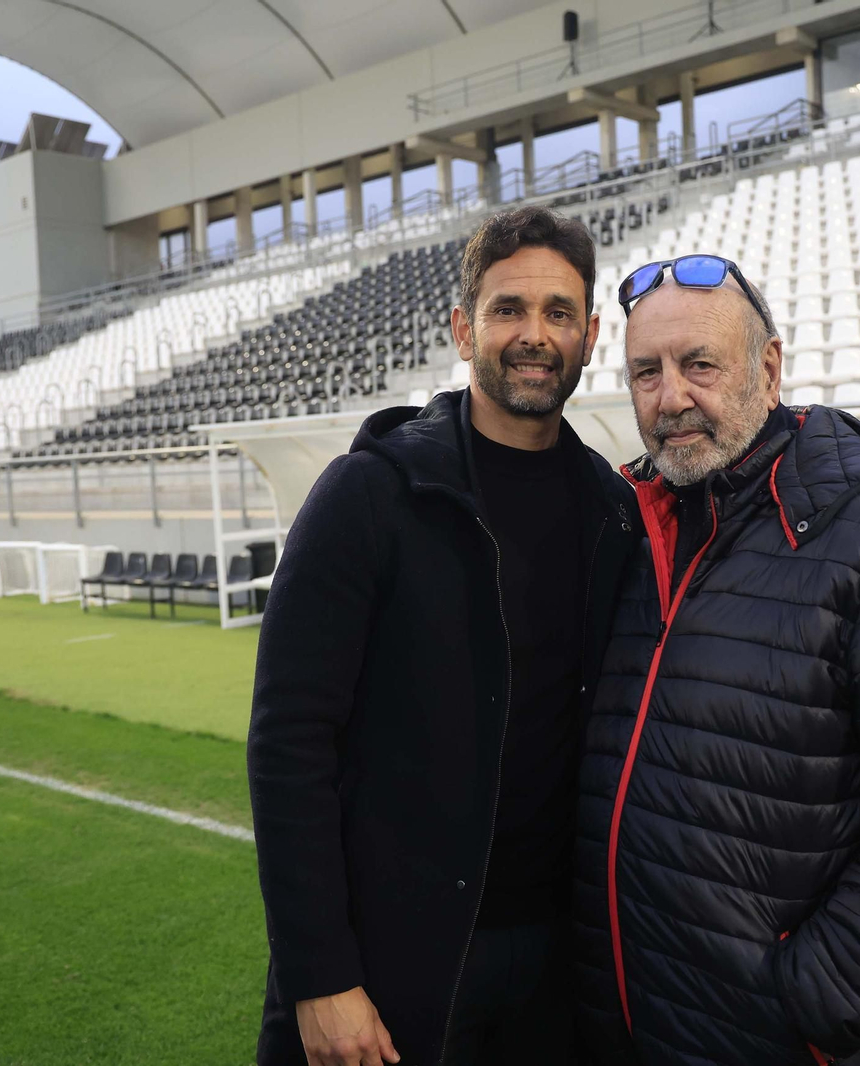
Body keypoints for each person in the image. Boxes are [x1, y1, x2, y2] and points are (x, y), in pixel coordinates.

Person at [573, 255, 860, 1066]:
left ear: (770, 368)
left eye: (699, 364)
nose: (671, 396)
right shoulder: (626, 528)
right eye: (647, 371)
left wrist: (820, 1000)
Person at [248, 206, 638, 1066]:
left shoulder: (612, 511)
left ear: (590, 334)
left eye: (558, 312)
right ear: (465, 329)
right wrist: (319, 976)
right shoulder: (368, 495)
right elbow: (289, 742)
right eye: (508, 309)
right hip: (396, 960)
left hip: (554, 971)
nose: (533, 335)